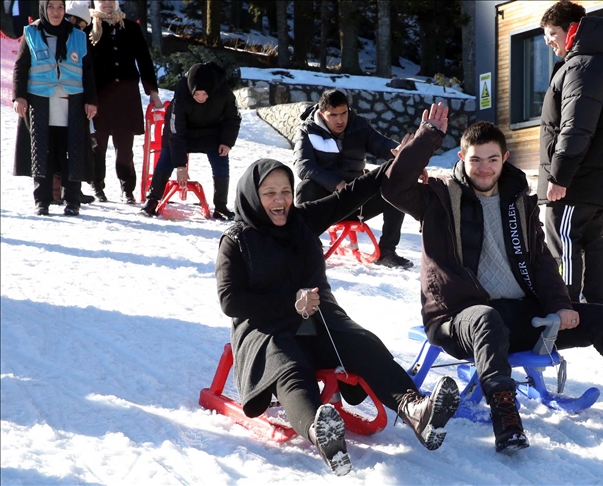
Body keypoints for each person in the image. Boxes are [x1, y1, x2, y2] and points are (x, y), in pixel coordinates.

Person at [383, 107, 603, 453]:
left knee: (600, 316)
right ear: (461, 158)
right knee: (486, 318)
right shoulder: (439, 198)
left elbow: (541, 261)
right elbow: (393, 186)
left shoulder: (518, 201)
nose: (484, 168)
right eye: (476, 160)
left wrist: (560, 305)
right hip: (459, 319)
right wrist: (427, 137)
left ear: (505, 158)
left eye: (492, 159)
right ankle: (506, 419)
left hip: (518, 316)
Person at [215, 158, 460, 476]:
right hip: (265, 327)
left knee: (360, 342)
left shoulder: (301, 220)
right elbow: (231, 301)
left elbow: (350, 196)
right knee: (287, 363)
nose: (280, 200)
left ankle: (416, 410)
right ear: (252, 194)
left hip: (317, 318)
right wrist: (290, 303)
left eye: (286, 191)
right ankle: (321, 431)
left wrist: (398, 164)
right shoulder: (236, 240)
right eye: (270, 192)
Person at [538, 1, 603, 306]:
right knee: (592, 240)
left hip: (576, 180)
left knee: (563, 239)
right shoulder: (599, 62)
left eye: (552, 32)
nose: (548, 41)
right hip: (593, 179)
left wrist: (559, 176)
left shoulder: (583, 66)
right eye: (544, 35)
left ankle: (564, 306)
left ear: (573, 30)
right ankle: (596, 307)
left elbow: (576, 127)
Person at [292, 89, 414, 269]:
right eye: (333, 115)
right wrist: (336, 185)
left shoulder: (360, 126)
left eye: (344, 113)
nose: (340, 120)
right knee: (305, 187)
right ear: (321, 113)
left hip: (357, 199)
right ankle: (309, 246)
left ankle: (387, 251)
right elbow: (303, 166)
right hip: (326, 202)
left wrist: (401, 152)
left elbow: (381, 144)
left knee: (396, 187)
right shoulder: (307, 130)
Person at [13, 0, 97, 216]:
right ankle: (42, 200)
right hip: (40, 103)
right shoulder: (31, 33)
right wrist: (19, 97)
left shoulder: (78, 36)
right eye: (51, 7)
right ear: (43, 8)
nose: (56, 12)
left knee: (73, 153)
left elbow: (88, 71)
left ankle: (72, 200)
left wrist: (91, 100)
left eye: (60, 7)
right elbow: (21, 66)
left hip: (73, 103)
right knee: (42, 152)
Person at [141, 62, 241, 219]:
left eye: (204, 94)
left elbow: (233, 118)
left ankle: (221, 206)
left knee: (221, 159)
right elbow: (176, 131)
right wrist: (181, 166)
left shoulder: (223, 91)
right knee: (167, 156)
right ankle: (152, 201)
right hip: (182, 132)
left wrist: (227, 142)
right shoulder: (181, 93)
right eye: (197, 95)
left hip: (212, 132)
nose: (201, 98)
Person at [85, 0, 161, 203]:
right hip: (98, 98)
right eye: (102, 0)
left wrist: (152, 92)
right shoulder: (87, 30)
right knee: (97, 146)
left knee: (125, 147)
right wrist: (87, 98)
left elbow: (144, 61)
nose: (107, 3)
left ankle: (127, 188)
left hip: (126, 98)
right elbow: (84, 69)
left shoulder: (131, 28)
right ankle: (96, 185)